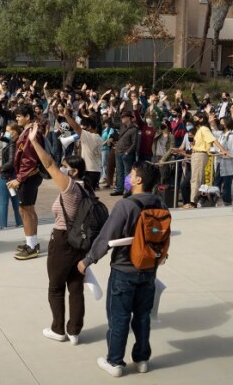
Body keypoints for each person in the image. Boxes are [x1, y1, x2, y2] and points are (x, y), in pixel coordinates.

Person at [79, 161, 165, 377]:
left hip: (124, 271)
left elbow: (106, 237)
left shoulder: (125, 206)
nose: (128, 176)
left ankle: (115, 361)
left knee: (119, 318)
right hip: (149, 270)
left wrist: (88, 260)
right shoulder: (160, 204)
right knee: (143, 316)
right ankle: (142, 358)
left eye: (132, 173)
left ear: (138, 180)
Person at [27, 122, 91, 346]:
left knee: (55, 287)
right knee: (75, 286)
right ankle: (74, 331)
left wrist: (34, 141)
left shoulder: (70, 187)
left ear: (73, 171)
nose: (61, 170)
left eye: (65, 168)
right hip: (80, 242)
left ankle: (58, 329)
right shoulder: (85, 188)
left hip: (63, 240)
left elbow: (48, 164)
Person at [9, 105, 45, 260]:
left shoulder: (31, 133)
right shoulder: (30, 131)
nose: (17, 119)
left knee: (25, 210)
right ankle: (32, 242)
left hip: (29, 176)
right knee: (28, 209)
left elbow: (29, 160)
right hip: (30, 175)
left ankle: (31, 246)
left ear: (28, 116)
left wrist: (19, 179)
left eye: (19, 116)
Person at [186, 111, 230, 209]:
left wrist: (223, 150)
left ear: (201, 119)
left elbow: (213, 140)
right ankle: (197, 200)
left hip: (200, 155)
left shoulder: (204, 129)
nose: (194, 120)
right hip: (196, 154)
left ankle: (193, 202)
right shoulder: (199, 130)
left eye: (195, 118)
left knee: (196, 179)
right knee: (197, 178)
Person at [0, 123, 23, 229]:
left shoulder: (13, 145)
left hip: (6, 176)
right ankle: (20, 222)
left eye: (9, 131)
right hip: (14, 176)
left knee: (3, 202)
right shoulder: (17, 142)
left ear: (15, 131)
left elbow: (11, 161)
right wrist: (2, 138)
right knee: (16, 201)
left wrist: (1, 168)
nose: (7, 133)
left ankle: (3, 225)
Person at [111, 111, 138, 197]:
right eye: (121, 117)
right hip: (118, 152)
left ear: (129, 118)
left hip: (127, 153)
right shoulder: (122, 127)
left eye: (124, 117)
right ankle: (119, 189)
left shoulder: (134, 129)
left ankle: (127, 190)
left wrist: (128, 152)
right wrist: (113, 112)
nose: (122, 118)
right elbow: (114, 123)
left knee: (127, 173)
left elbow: (134, 143)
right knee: (119, 172)